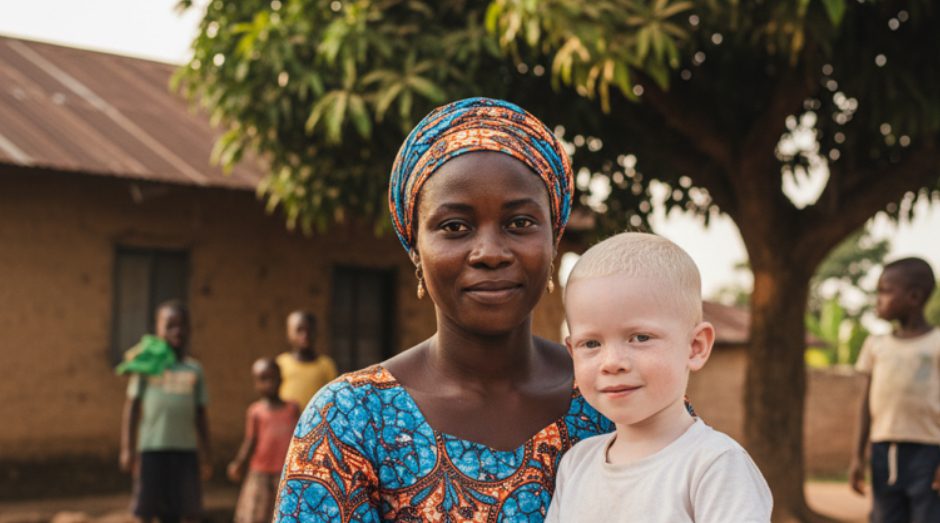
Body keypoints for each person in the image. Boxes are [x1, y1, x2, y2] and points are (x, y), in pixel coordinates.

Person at [273, 97, 612, 522]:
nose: (490, 253)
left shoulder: (616, 396)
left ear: (554, 239)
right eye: (455, 227)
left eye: (520, 223)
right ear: (415, 250)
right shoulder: (350, 421)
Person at [546, 232, 772, 522]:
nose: (612, 363)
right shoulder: (576, 465)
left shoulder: (714, 465)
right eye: (591, 344)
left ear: (695, 346)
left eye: (640, 338)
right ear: (572, 352)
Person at [849, 257, 940, 523]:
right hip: (883, 451)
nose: (878, 299)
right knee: (884, 516)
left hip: (929, 452)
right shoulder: (875, 345)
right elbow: (865, 405)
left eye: (885, 291)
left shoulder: (936, 343)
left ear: (914, 297)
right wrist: (857, 456)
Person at [118, 300, 211, 523]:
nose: (177, 331)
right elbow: (132, 408)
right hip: (151, 450)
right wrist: (127, 448)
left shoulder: (194, 369)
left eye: (182, 325)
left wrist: (206, 454)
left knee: (188, 509)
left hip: (186, 451)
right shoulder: (147, 367)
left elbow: (200, 414)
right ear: (157, 329)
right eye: (170, 326)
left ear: (189, 329)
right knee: (146, 508)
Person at [229, 358, 301, 523]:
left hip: (285, 474)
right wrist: (239, 463)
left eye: (272, 378)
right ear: (256, 383)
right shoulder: (256, 411)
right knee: (254, 514)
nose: (268, 384)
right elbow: (250, 441)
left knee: (284, 513)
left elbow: (299, 440)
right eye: (263, 379)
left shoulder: (292, 409)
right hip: (260, 472)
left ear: (281, 379)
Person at [276, 310, 338, 409]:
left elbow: (333, 395)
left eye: (310, 330)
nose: (305, 335)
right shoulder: (281, 363)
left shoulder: (326, 364)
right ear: (289, 333)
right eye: (299, 330)